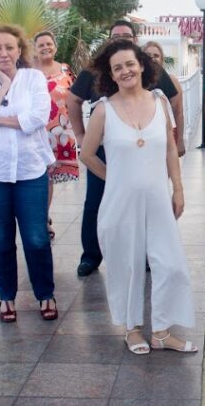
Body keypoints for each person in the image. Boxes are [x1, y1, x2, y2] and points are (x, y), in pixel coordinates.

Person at [81, 40, 197, 354]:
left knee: (170, 264)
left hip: (159, 198)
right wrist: (114, 177)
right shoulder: (103, 109)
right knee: (125, 266)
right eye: (117, 67)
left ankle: (161, 331)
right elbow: (87, 154)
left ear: (142, 65)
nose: (125, 71)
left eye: (130, 64)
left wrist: (179, 188)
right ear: (111, 74)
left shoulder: (160, 102)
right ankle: (132, 330)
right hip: (120, 203)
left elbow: (171, 148)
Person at [66, 20, 184, 278]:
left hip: (145, 153)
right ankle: (91, 256)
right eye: (116, 35)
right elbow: (73, 99)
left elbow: (174, 98)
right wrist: (81, 135)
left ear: (135, 40)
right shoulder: (94, 70)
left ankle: (145, 255)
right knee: (96, 203)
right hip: (109, 150)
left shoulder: (148, 67)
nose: (122, 39)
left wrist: (179, 137)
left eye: (127, 35)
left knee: (147, 205)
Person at [0, 25, 57, 323]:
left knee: (36, 237)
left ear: (20, 50)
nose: (4, 53)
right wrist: (3, 87)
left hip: (30, 168)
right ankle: (6, 296)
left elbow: (37, 119)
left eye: (9, 47)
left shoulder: (33, 79)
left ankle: (45, 293)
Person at [34, 31, 78, 241]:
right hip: (34, 133)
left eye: (49, 44)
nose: (45, 47)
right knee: (37, 177)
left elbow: (77, 97)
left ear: (55, 47)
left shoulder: (65, 69)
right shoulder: (28, 72)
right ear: (34, 49)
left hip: (60, 131)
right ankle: (37, 218)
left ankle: (43, 218)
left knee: (48, 177)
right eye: (41, 44)